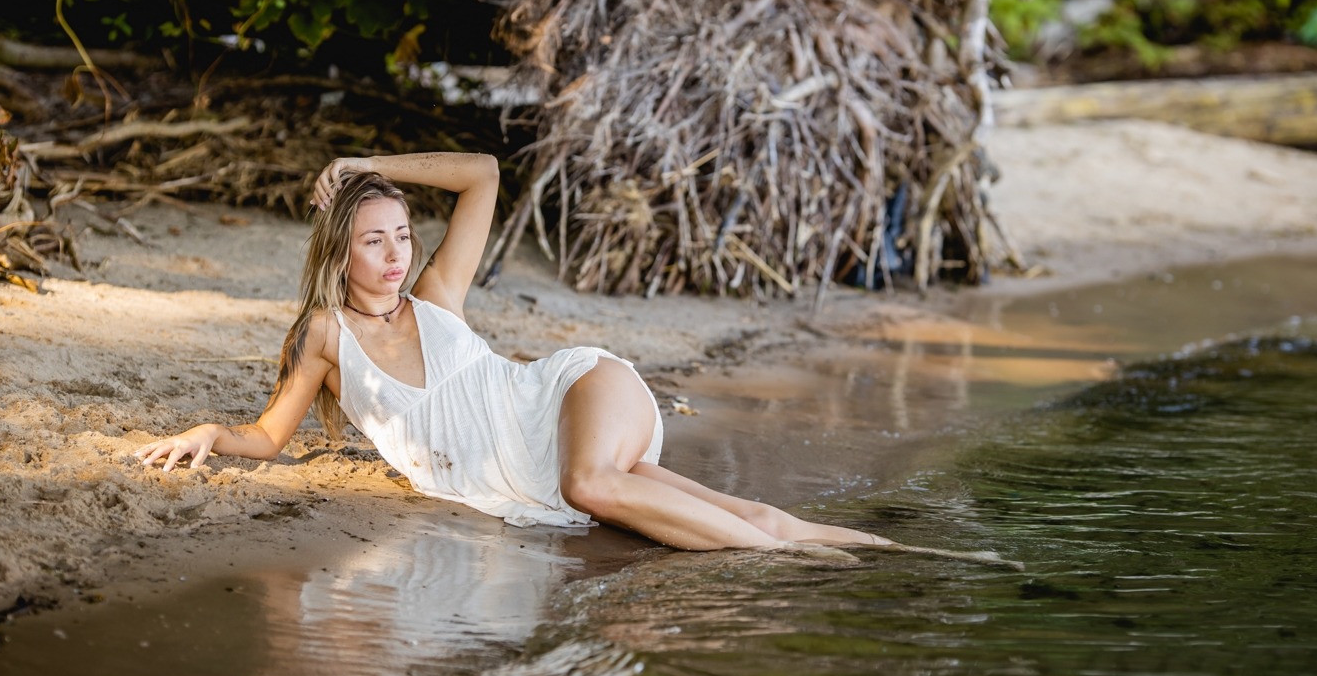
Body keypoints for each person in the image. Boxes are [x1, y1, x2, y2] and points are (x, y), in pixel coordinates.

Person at [135, 151, 893, 553]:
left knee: (594, 486)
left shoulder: (436, 295)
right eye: (375, 240)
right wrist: (209, 435)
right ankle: (900, 557)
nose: (396, 255)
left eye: (403, 235)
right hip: (552, 468)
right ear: (341, 254)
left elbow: (483, 175)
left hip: (577, 395)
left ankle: (783, 564)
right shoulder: (326, 336)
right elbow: (269, 437)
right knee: (748, 513)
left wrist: (370, 163)